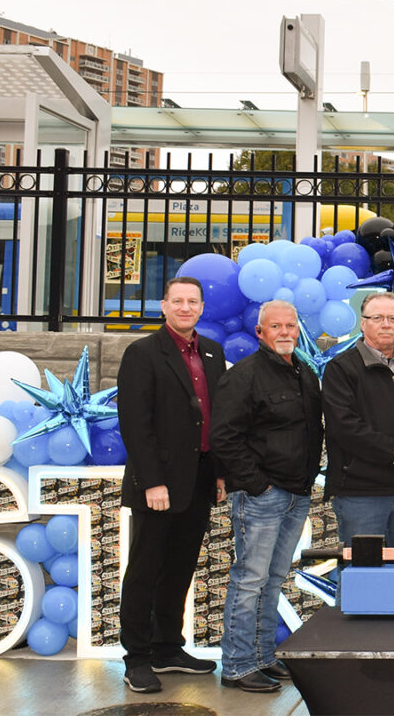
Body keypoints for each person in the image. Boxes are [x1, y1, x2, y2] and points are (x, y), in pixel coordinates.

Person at [117, 276, 227, 694]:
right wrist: (152, 482)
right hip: (158, 484)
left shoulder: (212, 352)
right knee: (145, 571)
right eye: (177, 301)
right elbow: (135, 423)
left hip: (199, 479)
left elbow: (216, 419)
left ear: (201, 307)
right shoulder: (142, 353)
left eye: (192, 301)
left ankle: (167, 648)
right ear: (163, 306)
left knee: (180, 568)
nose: (185, 307)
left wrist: (219, 473)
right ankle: (137, 658)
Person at [212, 300, 323, 694]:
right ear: (260, 332)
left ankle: (261, 658)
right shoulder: (244, 376)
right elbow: (224, 436)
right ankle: (237, 665)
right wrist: (258, 485)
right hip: (262, 497)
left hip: (296, 495)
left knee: (273, 580)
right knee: (250, 580)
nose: (284, 332)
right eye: (275, 326)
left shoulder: (305, 374)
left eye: (290, 325)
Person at [322, 292, 394, 547]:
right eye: (377, 318)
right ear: (363, 323)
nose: (386, 324)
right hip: (362, 494)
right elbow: (345, 427)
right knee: (363, 576)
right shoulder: (341, 368)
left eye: (393, 318)